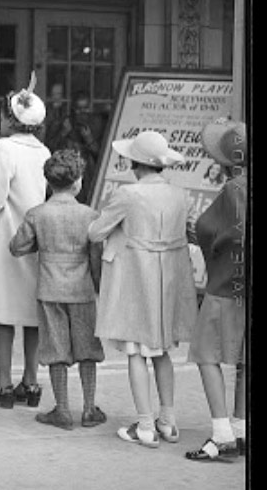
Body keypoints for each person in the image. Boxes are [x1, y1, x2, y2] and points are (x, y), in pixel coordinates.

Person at [88, 130, 198, 449]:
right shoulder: (181, 194)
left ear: (135, 162)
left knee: (136, 352)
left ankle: (146, 424)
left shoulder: (128, 194)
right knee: (163, 351)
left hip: (136, 280)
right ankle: (168, 420)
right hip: (169, 283)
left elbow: (96, 232)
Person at [8, 149, 107, 430]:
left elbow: (17, 248)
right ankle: (89, 409)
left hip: (50, 290)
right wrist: (99, 288)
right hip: (83, 291)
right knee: (88, 348)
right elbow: (96, 260)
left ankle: (62, 409)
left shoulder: (37, 214)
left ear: (49, 183)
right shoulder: (90, 215)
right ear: (77, 183)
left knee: (55, 349)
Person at [0, 74, 51, 410]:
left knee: (2, 310)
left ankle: (3, 384)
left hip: (6, 235)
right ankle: (30, 381)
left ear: (9, 118)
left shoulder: (3, 148)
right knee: (31, 314)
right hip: (35, 239)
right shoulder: (43, 151)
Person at [184, 118, 248, 461]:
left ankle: (222, 433)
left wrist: (201, 233)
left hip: (226, 281)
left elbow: (217, 232)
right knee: (242, 360)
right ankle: (241, 428)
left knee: (206, 354)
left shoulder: (233, 189)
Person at [44, 91, 100, 203]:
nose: (81, 113)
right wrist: (63, 132)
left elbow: (102, 156)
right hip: (64, 176)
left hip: (88, 177)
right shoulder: (61, 124)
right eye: (78, 109)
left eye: (85, 109)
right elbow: (48, 150)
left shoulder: (96, 124)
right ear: (72, 109)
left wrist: (89, 139)